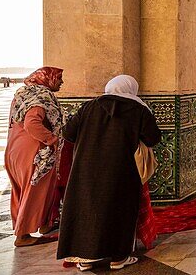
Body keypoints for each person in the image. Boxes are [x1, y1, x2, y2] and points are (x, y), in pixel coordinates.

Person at [57, 75, 161, 270]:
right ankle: (118, 258)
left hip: (86, 169)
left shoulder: (89, 107)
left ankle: (86, 258)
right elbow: (153, 137)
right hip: (122, 169)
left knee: (87, 208)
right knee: (120, 210)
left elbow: (68, 133)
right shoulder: (139, 110)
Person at [5, 66, 65, 247]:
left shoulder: (23, 93)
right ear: (48, 79)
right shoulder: (42, 97)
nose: (61, 82)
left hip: (16, 148)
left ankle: (44, 225)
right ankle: (23, 235)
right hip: (34, 150)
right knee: (34, 191)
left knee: (22, 191)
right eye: (59, 78)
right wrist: (52, 139)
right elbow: (32, 123)